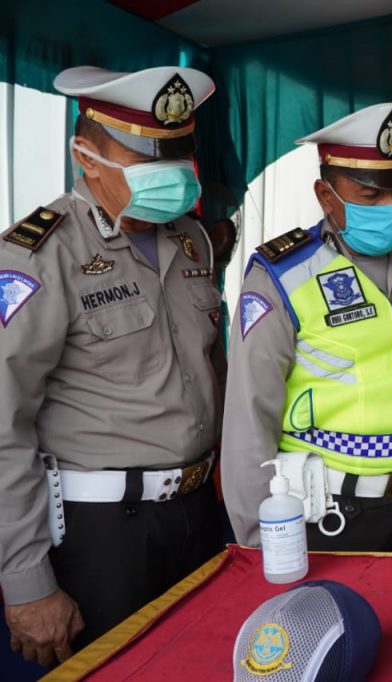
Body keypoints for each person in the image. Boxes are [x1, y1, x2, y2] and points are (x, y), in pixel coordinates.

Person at [0, 66, 225, 664]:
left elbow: (213, 370)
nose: (170, 174)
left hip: (199, 511)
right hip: (101, 532)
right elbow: (3, 425)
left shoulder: (192, 240)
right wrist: (26, 580)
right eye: (148, 158)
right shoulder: (38, 255)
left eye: (177, 155)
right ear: (86, 157)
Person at [221, 103, 392, 552]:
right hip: (330, 512)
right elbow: (250, 418)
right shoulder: (285, 276)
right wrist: (260, 540)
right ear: (326, 195)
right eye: (371, 196)